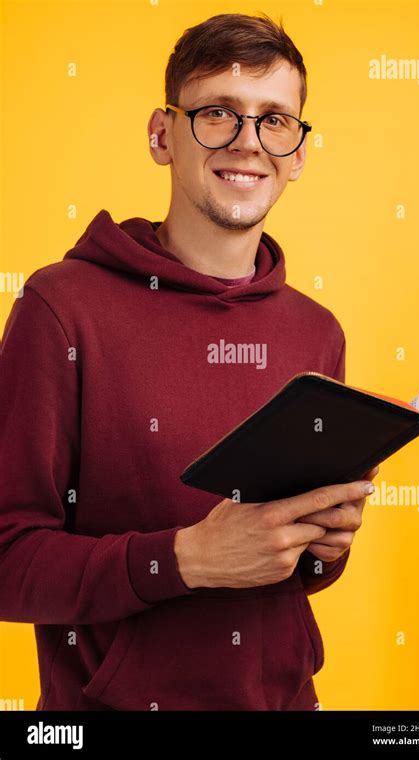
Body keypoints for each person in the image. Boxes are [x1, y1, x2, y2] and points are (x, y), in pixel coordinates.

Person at [0, 12, 379, 711]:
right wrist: (182, 560)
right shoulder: (59, 309)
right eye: (217, 113)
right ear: (160, 134)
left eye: (275, 121)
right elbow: (7, 559)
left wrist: (326, 544)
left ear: (298, 153)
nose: (248, 143)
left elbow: (301, 576)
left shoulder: (317, 331)